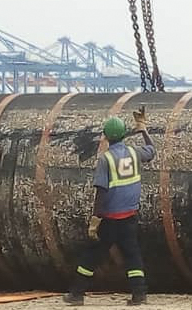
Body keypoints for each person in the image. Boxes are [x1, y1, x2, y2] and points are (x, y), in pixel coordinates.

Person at [63, 108, 154, 306]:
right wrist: (142, 129)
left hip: (111, 219)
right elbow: (152, 151)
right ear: (123, 135)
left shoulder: (106, 159)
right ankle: (139, 294)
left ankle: (76, 294)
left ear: (106, 136)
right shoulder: (134, 153)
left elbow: (101, 191)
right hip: (130, 216)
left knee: (92, 256)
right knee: (132, 255)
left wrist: (95, 220)